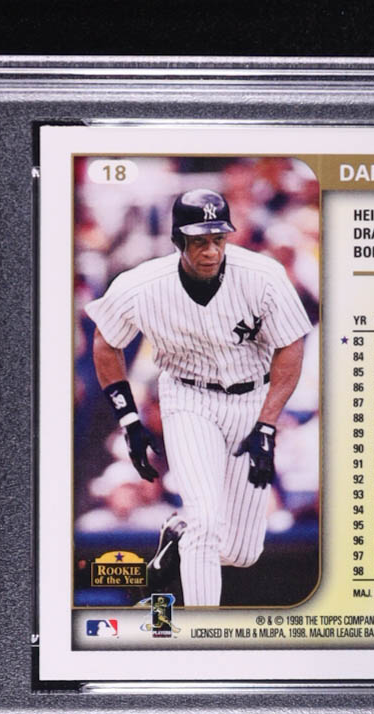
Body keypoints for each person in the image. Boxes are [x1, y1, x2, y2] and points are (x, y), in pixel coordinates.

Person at [85, 188, 312, 607]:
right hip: (188, 399)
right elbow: (105, 342)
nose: (211, 250)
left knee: (242, 552)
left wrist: (266, 424)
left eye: (218, 238)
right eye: (199, 240)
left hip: (250, 399)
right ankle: (200, 631)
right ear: (177, 240)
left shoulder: (262, 275)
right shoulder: (143, 284)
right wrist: (130, 420)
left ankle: (178, 535)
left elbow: (291, 345)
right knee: (206, 522)